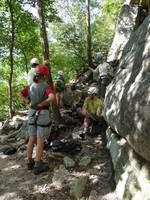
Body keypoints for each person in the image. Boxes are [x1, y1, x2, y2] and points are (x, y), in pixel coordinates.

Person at [20, 64, 54, 175]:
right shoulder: (46, 86)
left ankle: (29, 162)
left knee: (31, 138)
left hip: (31, 113)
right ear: (44, 75)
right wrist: (43, 103)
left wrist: (28, 102)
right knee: (40, 140)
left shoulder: (30, 86)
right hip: (42, 114)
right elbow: (52, 97)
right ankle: (37, 165)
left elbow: (21, 93)